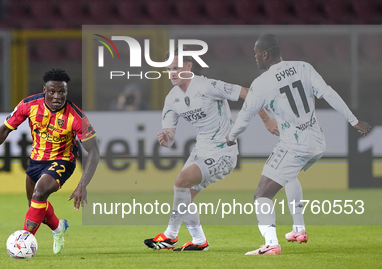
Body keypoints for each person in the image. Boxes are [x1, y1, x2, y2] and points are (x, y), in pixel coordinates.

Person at [226, 34, 371, 255]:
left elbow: (245, 117)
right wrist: (353, 120)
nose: (255, 58)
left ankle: (271, 244)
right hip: (317, 142)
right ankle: (298, 229)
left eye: (256, 54)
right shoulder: (303, 67)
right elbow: (328, 93)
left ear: (265, 54)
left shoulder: (262, 83)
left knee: (261, 195)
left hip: (294, 145)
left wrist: (230, 136)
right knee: (288, 175)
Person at [144, 48, 278, 252]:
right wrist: (165, 139)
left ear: (189, 67)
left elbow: (247, 93)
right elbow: (170, 137)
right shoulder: (172, 99)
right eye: (169, 69)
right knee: (184, 196)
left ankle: (170, 236)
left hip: (223, 153)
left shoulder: (206, 85)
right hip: (201, 151)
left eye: (177, 68)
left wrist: (267, 119)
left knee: (180, 182)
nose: (172, 73)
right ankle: (199, 242)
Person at [0, 68, 100, 254]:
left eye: (62, 92)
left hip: (63, 160)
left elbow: (94, 152)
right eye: (52, 91)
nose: (57, 96)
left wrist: (82, 184)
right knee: (36, 207)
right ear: (44, 90)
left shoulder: (76, 117)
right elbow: (5, 129)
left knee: (40, 193)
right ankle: (58, 228)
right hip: (36, 161)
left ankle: (22, 244)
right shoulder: (29, 105)